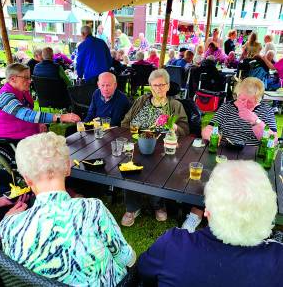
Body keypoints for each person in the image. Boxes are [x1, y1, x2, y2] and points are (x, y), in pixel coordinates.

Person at [0, 132, 136, 286]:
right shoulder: (92, 209)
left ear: (27, 179)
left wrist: (7, 221)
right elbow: (126, 258)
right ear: (67, 168)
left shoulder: (10, 227)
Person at [138, 160, 283, 287]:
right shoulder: (278, 259)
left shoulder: (172, 245)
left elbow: (143, 272)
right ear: (269, 212)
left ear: (207, 211)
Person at [120, 69, 189, 226]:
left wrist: (174, 126)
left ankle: (158, 204)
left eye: (162, 85)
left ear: (168, 86)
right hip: (138, 141)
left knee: (160, 165)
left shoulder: (175, 105)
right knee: (130, 164)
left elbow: (185, 130)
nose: (158, 88)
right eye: (154, 85)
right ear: (150, 87)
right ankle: (132, 207)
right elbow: (125, 121)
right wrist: (133, 132)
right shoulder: (141, 101)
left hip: (162, 145)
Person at [0, 63, 80, 139]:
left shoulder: (22, 91)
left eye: (29, 77)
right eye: (26, 78)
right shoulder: (5, 96)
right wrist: (61, 117)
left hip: (27, 135)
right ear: (13, 79)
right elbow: (26, 115)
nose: (30, 81)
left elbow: (30, 112)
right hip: (12, 138)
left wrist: (39, 122)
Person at [202, 77, 277, 144]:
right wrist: (209, 134)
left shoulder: (266, 110)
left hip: (251, 154)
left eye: (250, 101)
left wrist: (255, 121)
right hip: (225, 151)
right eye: (242, 99)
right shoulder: (227, 107)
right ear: (237, 95)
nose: (244, 104)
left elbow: (273, 140)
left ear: (259, 100)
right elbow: (209, 128)